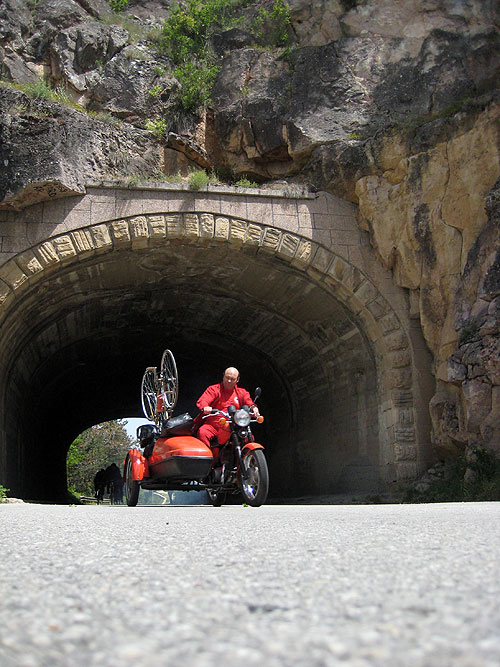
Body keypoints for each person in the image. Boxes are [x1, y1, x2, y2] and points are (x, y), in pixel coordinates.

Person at [195, 367, 259, 450]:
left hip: (235, 425)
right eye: (227, 377)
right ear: (223, 377)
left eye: (232, 379)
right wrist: (205, 407)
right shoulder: (214, 389)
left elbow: (249, 402)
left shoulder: (242, 392)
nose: (229, 381)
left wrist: (253, 408)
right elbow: (203, 400)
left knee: (248, 436)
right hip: (214, 426)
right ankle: (206, 460)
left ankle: (248, 459)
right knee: (202, 432)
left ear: (237, 380)